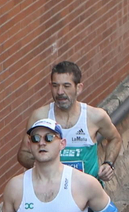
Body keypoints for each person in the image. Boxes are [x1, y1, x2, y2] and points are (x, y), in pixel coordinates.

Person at [16, 61, 121, 189]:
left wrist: (108, 163)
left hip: (88, 193)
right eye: (55, 86)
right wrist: (46, 166)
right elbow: (23, 154)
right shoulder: (40, 117)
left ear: (79, 88)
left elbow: (115, 138)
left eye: (66, 86)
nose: (60, 92)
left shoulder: (95, 116)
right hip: (54, 192)